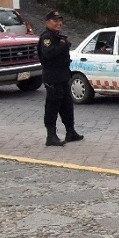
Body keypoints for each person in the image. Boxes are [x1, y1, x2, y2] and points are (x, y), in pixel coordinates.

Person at [37, 10, 83, 146]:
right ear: (47, 22)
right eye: (55, 21)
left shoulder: (58, 37)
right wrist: (62, 45)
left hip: (63, 76)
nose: (59, 23)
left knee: (67, 106)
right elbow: (49, 54)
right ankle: (51, 136)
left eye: (60, 21)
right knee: (52, 106)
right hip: (53, 78)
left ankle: (70, 131)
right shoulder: (47, 37)